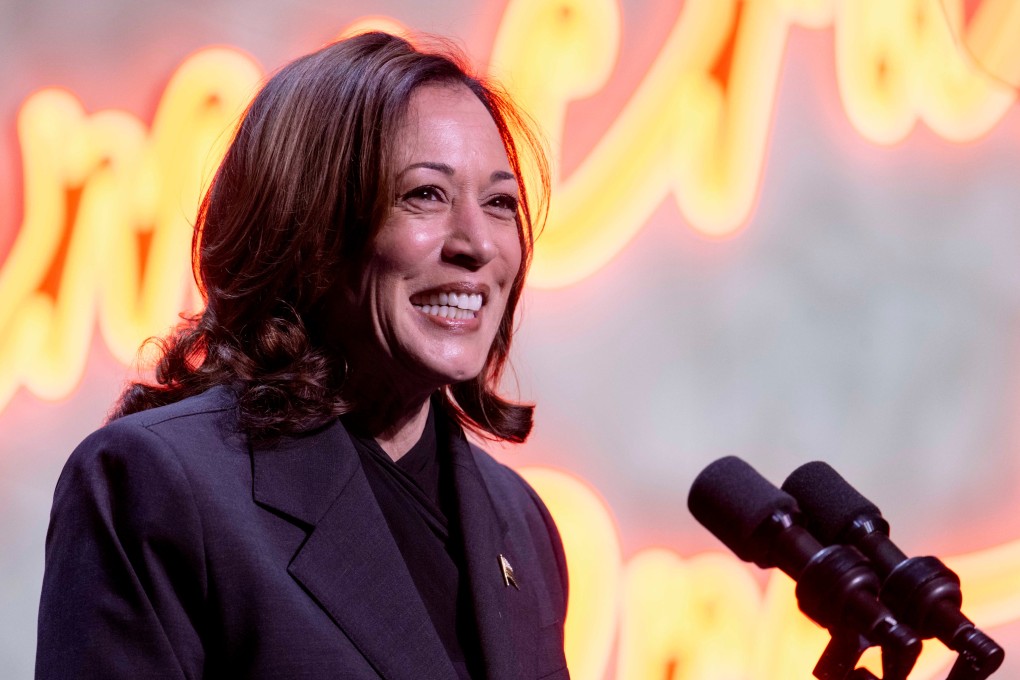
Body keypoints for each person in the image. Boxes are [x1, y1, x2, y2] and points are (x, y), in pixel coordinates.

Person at [36, 31, 568, 680]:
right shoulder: (157, 484)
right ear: (307, 226)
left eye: (499, 203)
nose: (478, 245)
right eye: (424, 194)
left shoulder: (521, 522)